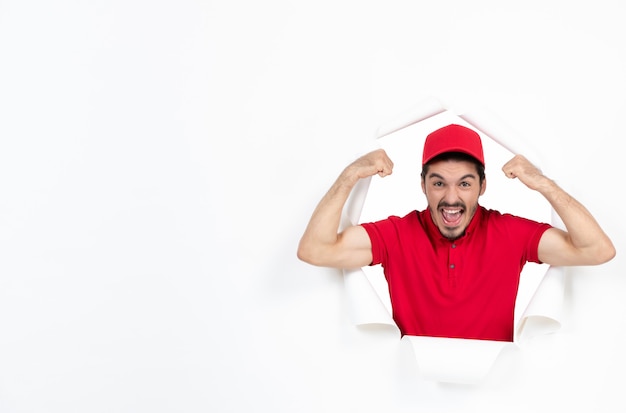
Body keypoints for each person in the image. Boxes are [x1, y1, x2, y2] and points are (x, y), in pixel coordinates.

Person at [297, 123, 615, 342]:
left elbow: (596, 250)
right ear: (423, 185)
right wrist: (351, 173)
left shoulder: (509, 232)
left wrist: (542, 182)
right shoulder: (396, 234)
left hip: (492, 395)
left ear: (482, 186)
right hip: (409, 396)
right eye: (439, 183)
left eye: (464, 183)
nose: (451, 198)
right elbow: (316, 250)